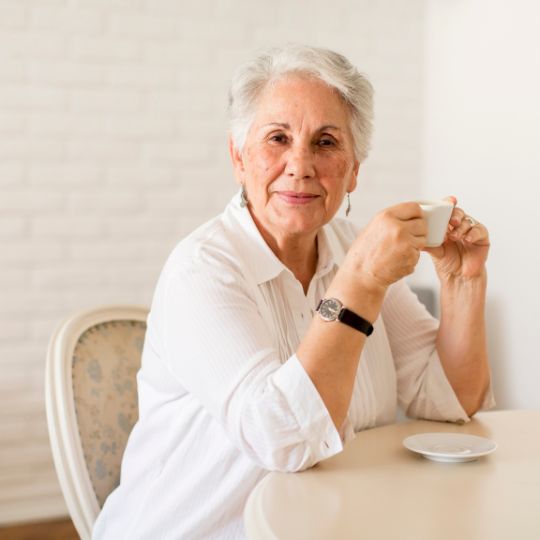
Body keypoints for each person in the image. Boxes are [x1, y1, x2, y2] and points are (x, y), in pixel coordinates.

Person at [93, 44, 494, 540]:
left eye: (326, 142)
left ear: (354, 169)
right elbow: (282, 441)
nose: (300, 164)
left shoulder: (352, 248)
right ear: (238, 157)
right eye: (277, 138)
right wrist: (362, 281)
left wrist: (461, 281)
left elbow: (451, 398)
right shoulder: (201, 271)